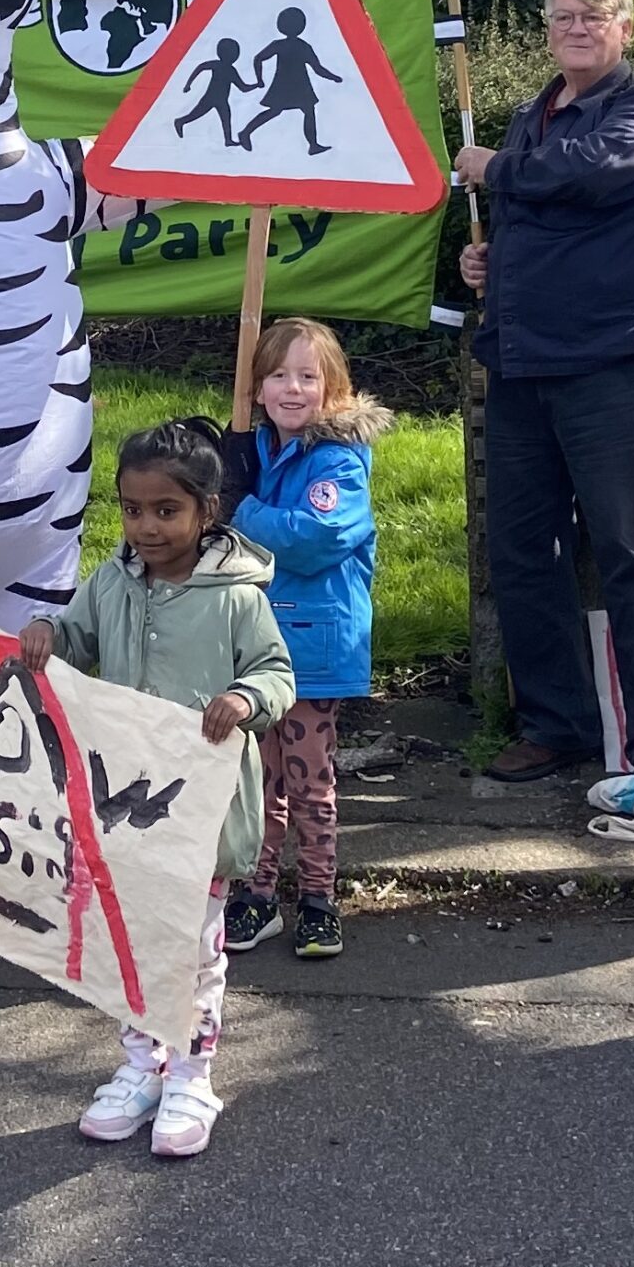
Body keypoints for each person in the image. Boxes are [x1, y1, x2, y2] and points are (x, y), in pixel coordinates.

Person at [18, 419, 294, 1159]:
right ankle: (142, 1066)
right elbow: (75, 640)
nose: (146, 525)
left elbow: (277, 673)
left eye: (165, 509)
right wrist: (46, 633)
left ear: (208, 510)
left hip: (199, 816)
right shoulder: (111, 582)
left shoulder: (238, 597)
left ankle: (193, 1075)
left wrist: (244, 697)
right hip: (123, 812)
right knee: (133, 942)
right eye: (132, 509)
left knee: (197, 949)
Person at [454, 0, 634, 783]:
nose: (576, 27)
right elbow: (541, 208)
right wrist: (490, 261)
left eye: (594, 16)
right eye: (562, 15)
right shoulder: (535, 114)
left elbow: (592, 171)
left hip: (616, 365)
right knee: (524, 554)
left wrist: (497, 169)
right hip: (523, 368)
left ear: (626, 29)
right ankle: (555, 725)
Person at [220, 318, 388, 962]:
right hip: (260, 648)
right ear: (256, 388)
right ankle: (257, 893)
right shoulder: (257, 450)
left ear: (333, 387)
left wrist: (243, 511)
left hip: (313, 652)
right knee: (259, 781)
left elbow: (316, 538)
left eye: (308, 377)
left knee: (309, 779)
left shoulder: (336, 461)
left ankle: (318, 898)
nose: (293, 388)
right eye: (278, 375)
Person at [238, 8, 342, 155]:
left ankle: (313, 145)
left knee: (300, 110)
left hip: (297, 86)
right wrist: (334, 77)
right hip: (289, 86)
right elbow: (317, 68)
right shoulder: (301, 46)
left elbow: (258, 59)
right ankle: (245, 132)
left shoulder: (288, 45)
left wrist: (260, 79)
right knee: (285, 111)